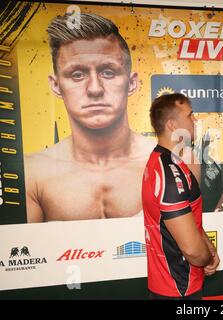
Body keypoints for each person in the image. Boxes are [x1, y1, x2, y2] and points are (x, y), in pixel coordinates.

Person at [24, 13, 159, 222]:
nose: (95, 89)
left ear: (132, 83)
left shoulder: (168, 163)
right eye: (77, 74)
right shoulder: (32, 174)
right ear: (56, 85)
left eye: (108, 72)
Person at [142, 93, 219, 300]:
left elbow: (189, 219)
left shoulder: (173, 163)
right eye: (190, 115)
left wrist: (209, 250)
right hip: (177, 288)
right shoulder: (168, 172)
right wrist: (205, 257)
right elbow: (193, 251)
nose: (195, 120)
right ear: (172, 125)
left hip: (181, 284)